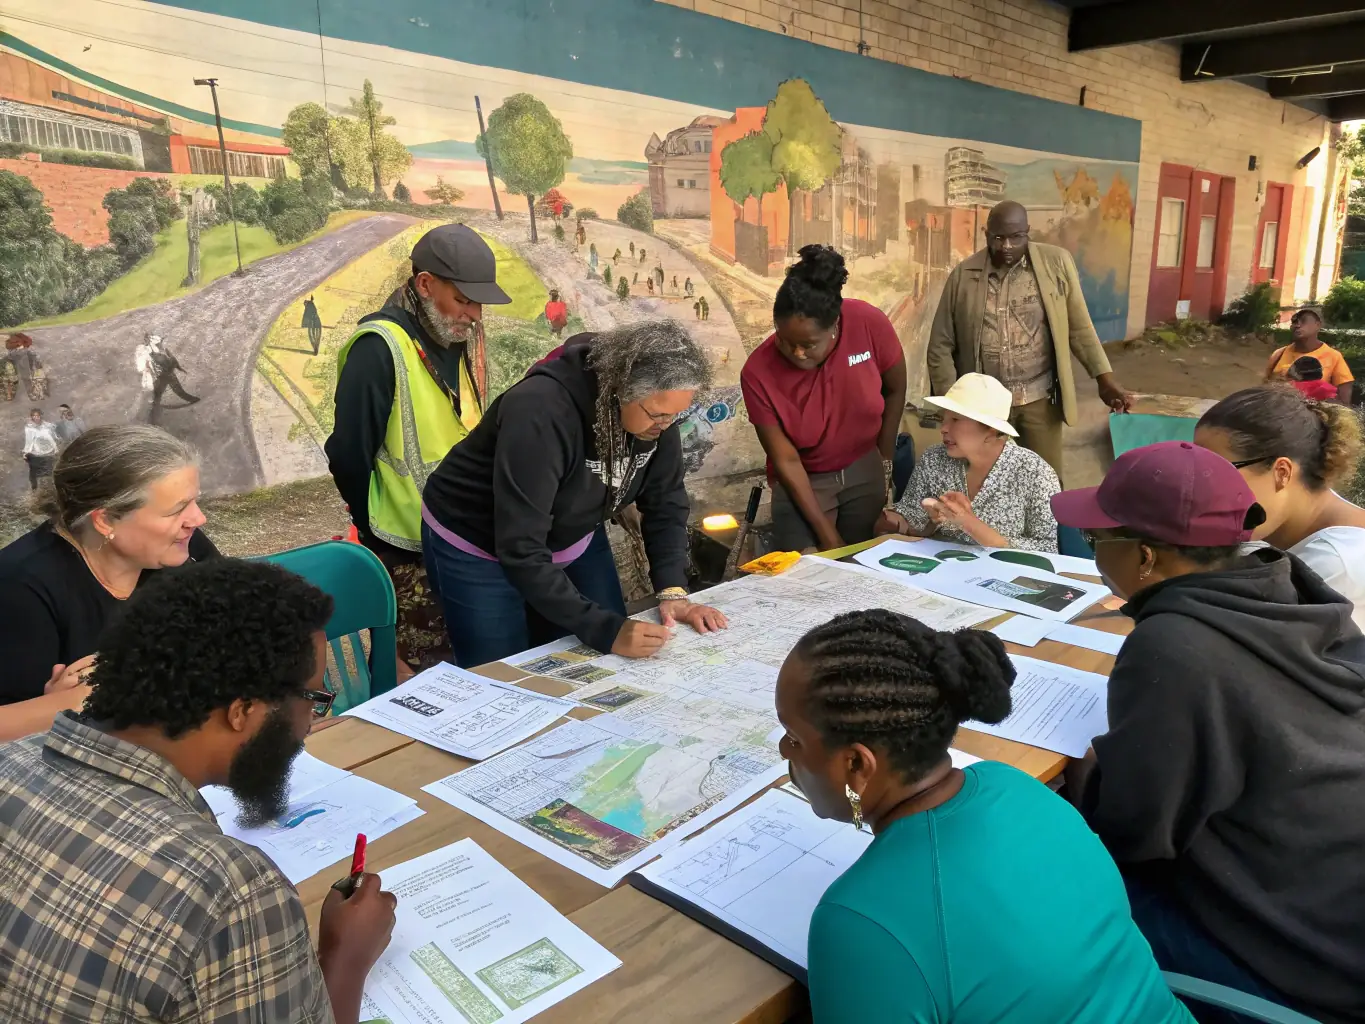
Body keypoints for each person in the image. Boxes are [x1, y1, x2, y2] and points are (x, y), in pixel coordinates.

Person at [0, 559, 398, 1024]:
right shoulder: (233, 893)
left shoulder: (13, 757)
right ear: (242, 711)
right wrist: (345, 959)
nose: (312, 721)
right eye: (312, 698)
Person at [1053, 441, 1365, 1023]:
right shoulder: (1291, 585)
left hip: (1303, 958)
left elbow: (1135, 835)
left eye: (1098, 541)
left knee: (1054, 898)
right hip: (1337, 894)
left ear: (1145, 557)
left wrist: (1089, 780)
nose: (1094, 554)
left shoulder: (1172, 646)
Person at [780, 609, 1194, 1024]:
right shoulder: (1012, 783)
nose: (783, 750)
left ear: (857, 764)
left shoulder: (856, 923)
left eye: (794, 737)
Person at [421, 320, 727, 667]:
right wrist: (603, 628)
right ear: (621, 391)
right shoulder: (540, 411)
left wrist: (673, 592)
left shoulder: (659, 416)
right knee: (501, 668)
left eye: (675, 415)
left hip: (570, 529)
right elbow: (521, 547)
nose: (666, 426)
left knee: (598, 655)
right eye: (658, 415)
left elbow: (666, 501)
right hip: (477, 538)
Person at [326, 224, 511, 671]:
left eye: (479, 302)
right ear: (425, 284)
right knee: (422, 676)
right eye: (464, 300)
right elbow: (348, 455)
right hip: (405, 545)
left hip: (460, 535)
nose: (475, 314)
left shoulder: (451, 337)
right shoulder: (378, 349)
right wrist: (374, 532)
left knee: (473, 664)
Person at [0, 425, 218, 740]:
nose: (198, 519)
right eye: (177, 510)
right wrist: (57, 707)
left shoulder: (186, 548)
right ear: (104, 520)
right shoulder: (20, 586)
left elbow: (246, 628)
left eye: (195, 501)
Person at [927, 200, 1131, 480]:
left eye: (1016, 237)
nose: (1007, 246)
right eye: (999, 238)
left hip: (1038, 399)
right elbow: (940, 345)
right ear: (986, 234)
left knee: (1045, 482)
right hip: (983, 408)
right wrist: (955, 409)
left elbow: (1079, 327)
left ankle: (1048, 526)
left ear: (1028, 233)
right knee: (984, 483)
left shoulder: (1055, 265)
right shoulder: (963, 276)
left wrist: (1103, 378)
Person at [740, 245, 907, 552]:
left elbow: (895, 390)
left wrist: (884, 462)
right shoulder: (757, 373)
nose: (796, 353)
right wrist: (829, 540)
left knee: (866, 564)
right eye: (784, 339)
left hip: (863, 466)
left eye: (808, 344)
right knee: (809, 569)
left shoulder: (868, 323)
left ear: (836, 326)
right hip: (803, 480)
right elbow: (786, 460)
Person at [1196, 384, 1365, 630]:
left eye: (1217, 474)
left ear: (1282, 473)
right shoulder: (1294, 514)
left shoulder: (1332, 564)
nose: (1203, 491)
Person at [880, 373, 1060, 551]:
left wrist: (969, 523)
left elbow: (1049, 549)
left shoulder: (1035, 473)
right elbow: (910, 522)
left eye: (956, 420)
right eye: (944, 418)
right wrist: (895, 522)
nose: (943, 428)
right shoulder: (933, 459)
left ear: (990, 430)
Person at [1266, 307, 1354, 405]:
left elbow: (1344, 403)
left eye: (1303, 320)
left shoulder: (1334, 357)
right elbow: (1264, 389)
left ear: (1318, 325)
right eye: (1294, 321)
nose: (1297, 325)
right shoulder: (1278, 354)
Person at [22, 406, 59, 491]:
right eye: (34, 416)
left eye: (37, 416)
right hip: (36, 452)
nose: (36, 418)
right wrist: (26, 452)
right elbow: (29, 440)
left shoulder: (47, 426)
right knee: (33, 472)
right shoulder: (29, 428)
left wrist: (56, 448)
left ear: (40, 416)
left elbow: (52, 437)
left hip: (48, 451)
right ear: (32, 417)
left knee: (51, 470)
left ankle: (52, 488)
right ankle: (34, 489)